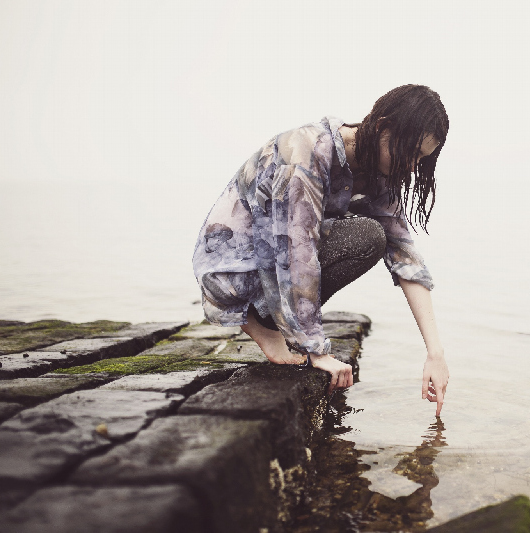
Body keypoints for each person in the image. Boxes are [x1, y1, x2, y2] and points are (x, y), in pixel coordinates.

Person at [192, 85, 450, 415]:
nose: (413, 167)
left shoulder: (375, 172)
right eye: (411, 154)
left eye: (421, 160)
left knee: (374, 237)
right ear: (384, 127)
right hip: (233, 273)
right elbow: (295, 251)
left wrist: (435, 353)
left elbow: (404, 255)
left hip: (271, 262)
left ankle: (277, 322)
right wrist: (315, 350)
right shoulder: (306, 151)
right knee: (365, 234)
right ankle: (264, 324)